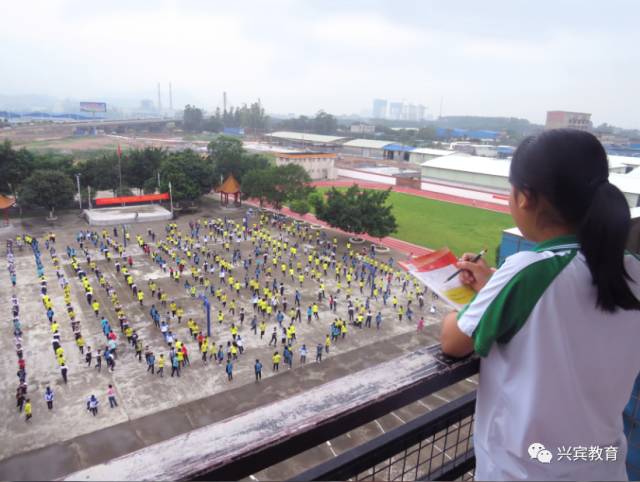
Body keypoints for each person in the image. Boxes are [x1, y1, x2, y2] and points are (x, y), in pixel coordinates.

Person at [439, 129, 640, 481]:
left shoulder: (528, 271)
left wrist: (478, 299)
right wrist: (493, 286)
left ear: (525, 198)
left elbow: (453, 342)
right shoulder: (633, 268)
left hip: (526, 471)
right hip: (603, 464)